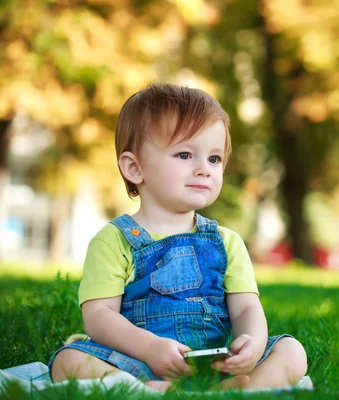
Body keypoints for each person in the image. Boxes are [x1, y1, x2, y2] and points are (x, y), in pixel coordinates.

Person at [48, 83, 309, 392]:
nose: (204, 169)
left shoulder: (226, 243)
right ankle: (148, 392)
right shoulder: (113, 240)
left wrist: (251, 344)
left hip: (215, 364)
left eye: (214, 159)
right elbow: (99, 317)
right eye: (185, 154)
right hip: (139, 364)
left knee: (292, 351)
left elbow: (246, 310)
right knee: (69, 360)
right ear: (134, 167)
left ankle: (227, 391)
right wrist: (149, 349)